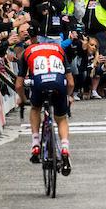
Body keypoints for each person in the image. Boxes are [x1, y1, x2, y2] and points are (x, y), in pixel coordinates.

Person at [16, 36, 74, 176]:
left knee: (35, 109)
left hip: (39, 82)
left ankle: (35, 143)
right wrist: (68, 96)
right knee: (61, 118)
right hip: (58, 83)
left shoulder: (27, 52)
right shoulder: (59, 49)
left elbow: (18, 84)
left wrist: (23, 99)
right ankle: (65, 148)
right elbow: (71, 82)